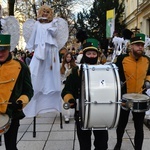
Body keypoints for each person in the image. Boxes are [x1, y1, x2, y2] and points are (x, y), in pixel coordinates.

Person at [61, 38, 108, 150]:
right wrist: (71, 100)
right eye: (88, 53)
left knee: (102, 145)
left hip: (100, 113)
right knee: (85, 145)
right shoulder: (75, 71)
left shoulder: (104, 71)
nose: (91, 56)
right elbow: (66, 91)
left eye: (94, 53)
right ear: (84, 54)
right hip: (82, 112)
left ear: (97, 55)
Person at [23, 5, 68, 117]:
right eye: (43, 12)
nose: (45, 14)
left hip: (51, 50)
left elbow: (55, 34)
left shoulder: (54, 23)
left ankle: (52, 98)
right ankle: (34, 95)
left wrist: (52, 28)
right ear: (40, 12)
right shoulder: (37, 24)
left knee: (51, 73)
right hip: (39, 50)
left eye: (47, 12)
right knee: (35, 71)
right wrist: (29, 47)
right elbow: (33, 36)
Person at [113, 33, 150, 150]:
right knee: (121, 124)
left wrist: (148, 80)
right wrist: (118, 81)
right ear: (131, 46)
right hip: (125, 98)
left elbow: (149, 73)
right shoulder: (122, 59)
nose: (140, 47)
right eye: (138, 45)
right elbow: (114, 73)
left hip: (140, 97)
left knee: (139, 126)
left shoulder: (147, 60)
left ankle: (138, 148)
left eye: (142, 45)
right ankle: (118, 144)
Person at [0, 34, 33, 150]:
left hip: (12, 113)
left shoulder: (20, 66)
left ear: (9, 49)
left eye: (3, 50)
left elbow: (28, 90)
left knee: (11, 147)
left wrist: (20, 102)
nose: (0, 53)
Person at [60, 52, 77, 123]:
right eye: (67, 57)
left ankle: (76, 114)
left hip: (72, 85)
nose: (68, 58)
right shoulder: (61, 65)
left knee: (75, 99)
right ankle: (67, 116)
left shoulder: (74, 66)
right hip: (64, 85)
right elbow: (60, 76)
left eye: (70, 57)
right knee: (66, 100)